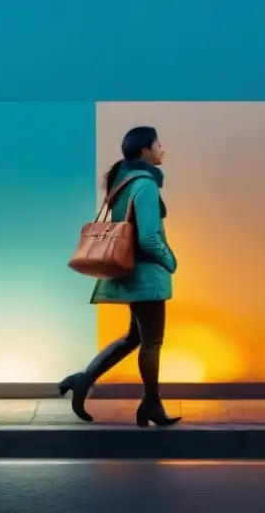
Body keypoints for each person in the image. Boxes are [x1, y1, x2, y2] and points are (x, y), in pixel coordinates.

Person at [58, 125, 180, 428]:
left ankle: (83, 380)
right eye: (158, 144)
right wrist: (171, 262)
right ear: (145, 151)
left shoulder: (123, 181)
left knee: (135, 337)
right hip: (146, 274)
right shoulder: (146, 185)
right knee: (152, 341)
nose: (162, 149)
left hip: (128, 271)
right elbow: (150, 237)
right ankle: (151, 403)